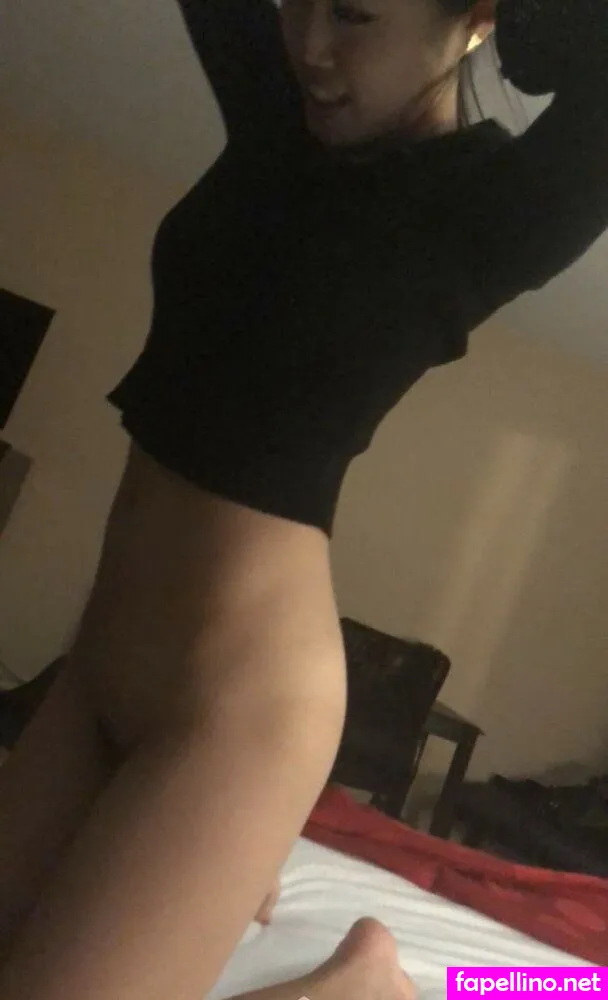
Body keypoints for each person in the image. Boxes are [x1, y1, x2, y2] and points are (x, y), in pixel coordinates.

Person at [0, 0, 606, 997]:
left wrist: (537, 26)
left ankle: (353, 984)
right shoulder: (276, 119)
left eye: (355, 15)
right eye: (298, 5)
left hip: (235, 711)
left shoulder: (494, 210)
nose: (312, 46)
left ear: (470, 19)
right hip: (95, 665)